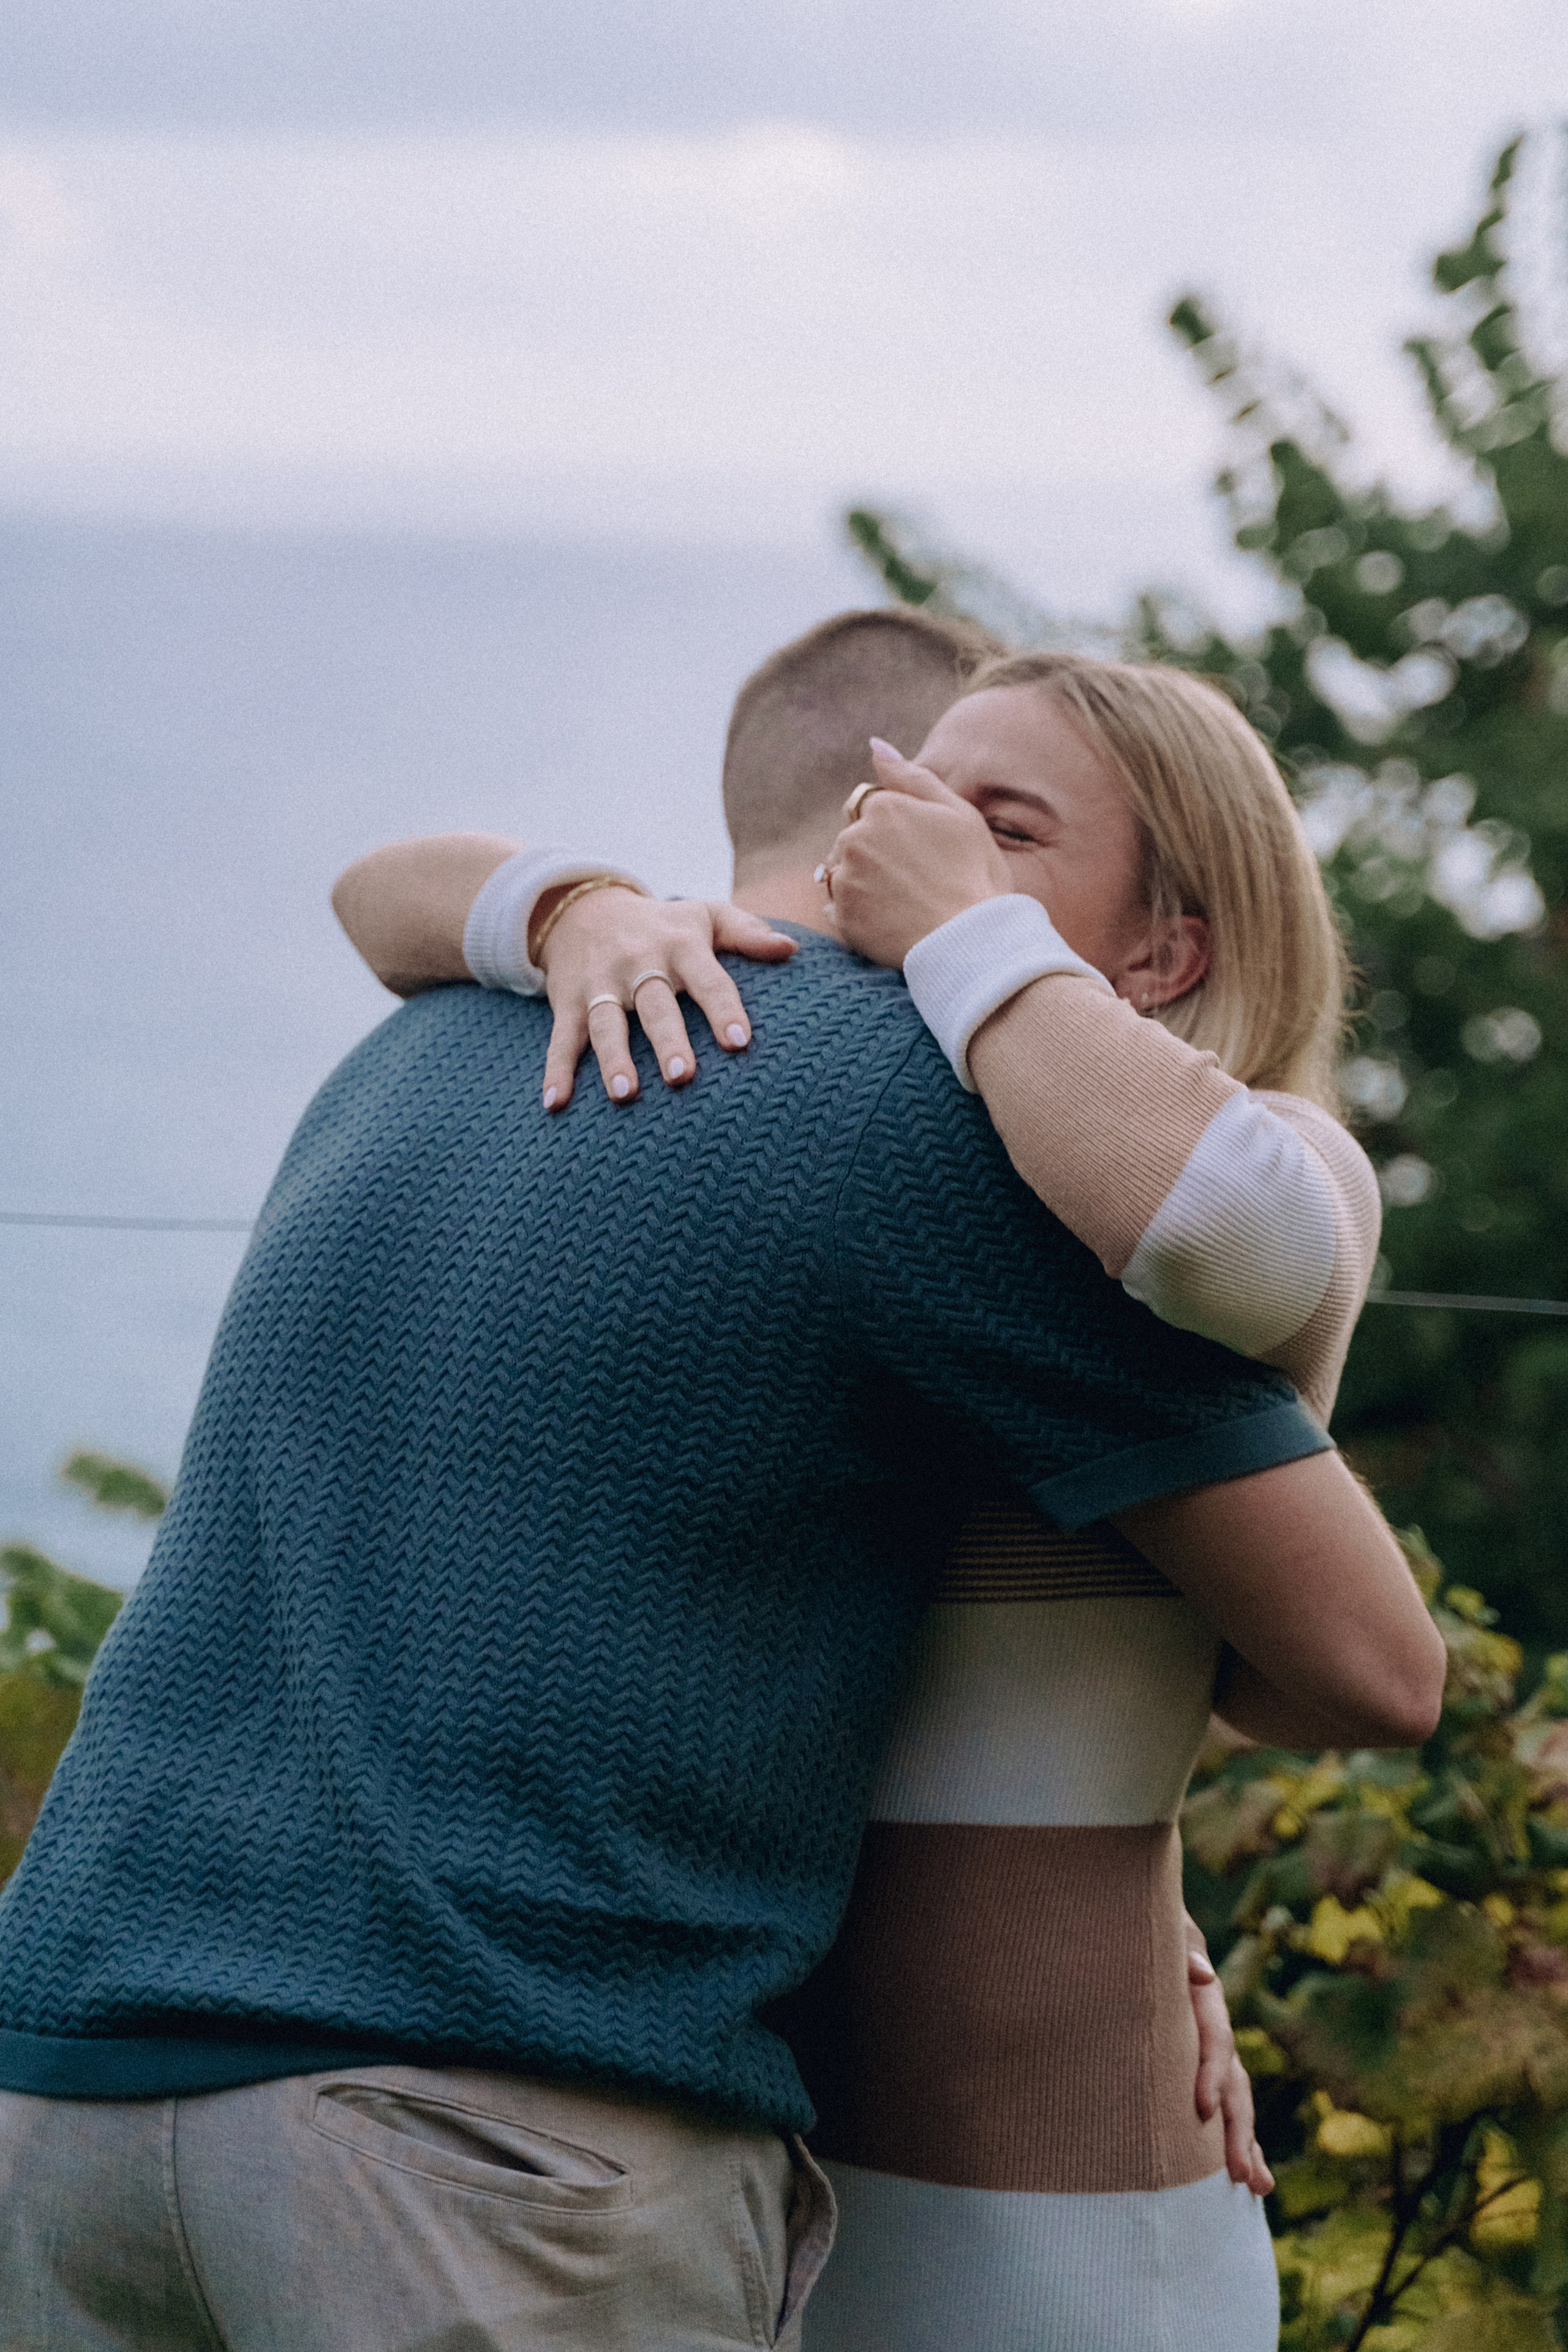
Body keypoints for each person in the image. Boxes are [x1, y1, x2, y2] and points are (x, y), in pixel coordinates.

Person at [330, 614, 1401, 2350]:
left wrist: (967, 932)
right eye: (906, 792)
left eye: (1005, 826)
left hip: (1059, 2207)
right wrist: (578, 906)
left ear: (1166, 949)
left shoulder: (1270, 1169)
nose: (904, 828)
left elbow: (1239, 1255)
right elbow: (379, 893)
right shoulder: (879, 1161)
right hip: (781, 2169)